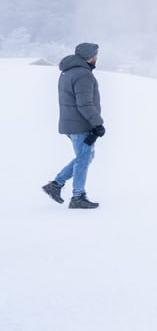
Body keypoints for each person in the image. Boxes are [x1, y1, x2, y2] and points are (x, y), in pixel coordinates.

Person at [43, 42, 106, 209]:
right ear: (88, 57)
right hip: (81, 125)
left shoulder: (68, 72)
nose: (96, 58)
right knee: (83, 159)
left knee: (85, 157)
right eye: (94, 55)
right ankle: (77, 196)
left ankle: (56, 184)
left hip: (72, 123)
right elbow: (84, 104)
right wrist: (97, 123)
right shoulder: (83, 75)